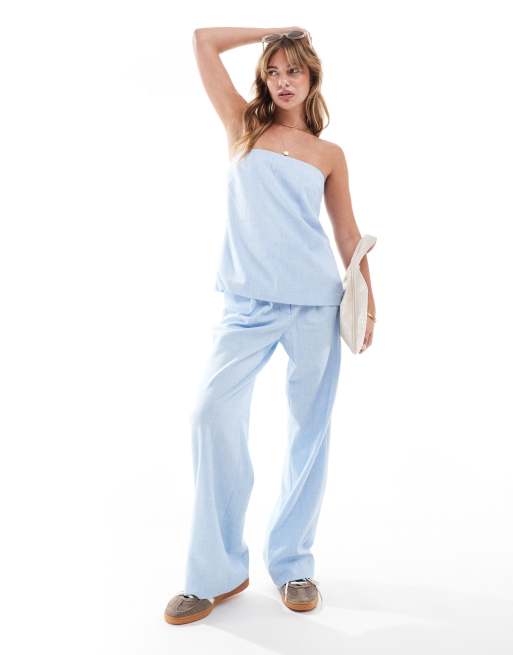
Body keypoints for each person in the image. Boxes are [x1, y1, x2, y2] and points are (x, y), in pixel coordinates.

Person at [164, 26, 376, 625]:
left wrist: (368, 298)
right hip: (246, 305)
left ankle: (293, 564)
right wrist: (274, 33)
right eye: (274, 71)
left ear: (312, 79)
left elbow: (346, 233)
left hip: (315, 303)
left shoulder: (329, 155)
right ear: (264, 80)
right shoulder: (243, 127)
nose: (284, 81)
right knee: (210, 412)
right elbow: (203, 41)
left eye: (294, 71)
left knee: (310, 431)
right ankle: (215, 572)